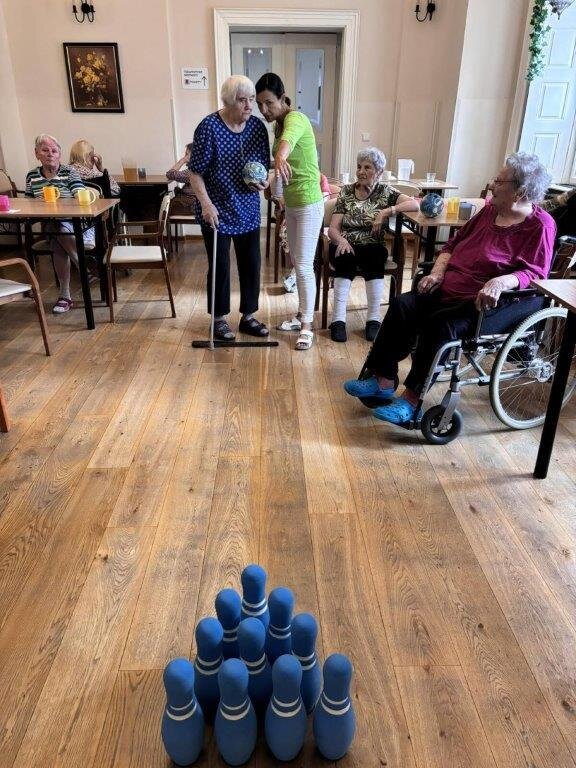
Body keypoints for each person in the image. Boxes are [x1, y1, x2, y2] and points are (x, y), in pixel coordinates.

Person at [343, 151, 556, 427]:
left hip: (486, 304)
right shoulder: (489, 211)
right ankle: (382, 380)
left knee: (440, 326)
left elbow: (535, 272)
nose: (492, 184)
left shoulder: (540, 225)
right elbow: (453, 244)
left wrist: (500, 281)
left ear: (520, 192)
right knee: (402, 305)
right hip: (449, 287)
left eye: (500, 181)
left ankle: (411, 401)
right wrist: (437, 272)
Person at [188, 75, 270, 340]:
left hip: (248, 209)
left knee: (251, 264)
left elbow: (264, 167)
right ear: (228, 101)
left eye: (251, 100)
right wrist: (206, 205)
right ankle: (218, 319)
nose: (249, 106)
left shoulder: (257, 127)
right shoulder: (209, 128)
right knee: (220, 266)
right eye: (242, 100)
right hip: (217, 210)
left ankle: (248, 316)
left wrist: (265, 182)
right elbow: (194, 172)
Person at [256, 72, 324, 350]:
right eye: (259, 104)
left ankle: (307, 326)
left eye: (269, 103)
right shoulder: (277, 125)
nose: (264, 110)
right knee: (296, 262)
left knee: (304, 265)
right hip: (294, 203)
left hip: (309, 202)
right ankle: (301, 315)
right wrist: (277, 193)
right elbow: (281, 167)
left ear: (283, 98)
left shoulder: (295, 119)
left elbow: (287, 146)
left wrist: (280, 155)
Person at [327, 148, 418, 342]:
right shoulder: (346, 192)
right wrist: (341, 240)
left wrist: (386, 211)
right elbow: (333, 229)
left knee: (375, 255)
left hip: (372, 245)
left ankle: (373, 320)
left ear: (379, 171)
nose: (361, 171)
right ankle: (338, 320)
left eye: (367, 167)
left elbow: (414, 204)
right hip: (346, 242)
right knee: (344, 256)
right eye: (359, 167)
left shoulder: (385, 192)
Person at [25, 134, 95, 314]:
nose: (50, 154)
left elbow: (79, 192)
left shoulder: (68, 172)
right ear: (37, 154)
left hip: (75, 225)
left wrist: (77, 196)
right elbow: (28, 203)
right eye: (45, 150)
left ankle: (65, 296)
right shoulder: (32, 176)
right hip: (50, 225)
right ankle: (83, 267)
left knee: (59, 233)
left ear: (59, 154)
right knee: (56, 229)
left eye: (54, 151)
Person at [166, 143, 196, 214]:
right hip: (195, 203)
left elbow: (170, 174)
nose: (185, 156)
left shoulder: (192, 171)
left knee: (162, 207)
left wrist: (182, 160)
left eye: (187, 154)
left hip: (190, 204)